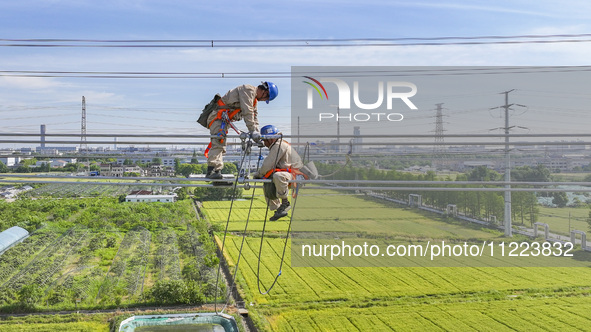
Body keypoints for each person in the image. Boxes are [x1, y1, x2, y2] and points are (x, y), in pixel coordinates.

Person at [204, 82, 278, 179]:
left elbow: (254, 116)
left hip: (223, 121)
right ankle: (211, 171)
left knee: (221, 146)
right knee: (218, 144)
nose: (263, 100)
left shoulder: (253, 99)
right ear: (265, 92)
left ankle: (216, 173)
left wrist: (257, 135)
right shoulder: (248, 90)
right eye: (265, 98)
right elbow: (247, 111)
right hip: (217, 118)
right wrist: (252, 131)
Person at [253, 125, 303, 221]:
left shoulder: (278, 145)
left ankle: (285, 203)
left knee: (277, 176)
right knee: (268, 181)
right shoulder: (278, 145)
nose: (264, 143)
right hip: (288, 174)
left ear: (270, 139)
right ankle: (277, 209)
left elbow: (268, 164)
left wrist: (258, 175)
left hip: (296, 175)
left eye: (264, 140)